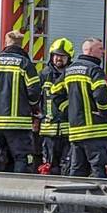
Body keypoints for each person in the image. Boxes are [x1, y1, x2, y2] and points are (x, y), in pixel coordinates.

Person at [0, 30, 42, 173]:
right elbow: (35, 91)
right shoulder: (25, 64)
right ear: (21, 45)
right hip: (18, 123)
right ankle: (18, 190)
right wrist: (31, 107)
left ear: (6, 43)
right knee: (21, 158)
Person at [54, 37, 107, 177]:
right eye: (100, 48)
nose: (103, 51)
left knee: (77, 169)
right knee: (98, 169)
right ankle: (98, 199)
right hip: (95, 131)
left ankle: (74, 198)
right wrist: (104, 112)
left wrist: (69, 110)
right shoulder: (94, 70)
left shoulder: (69, 70)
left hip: (76, 130)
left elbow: (54, 92)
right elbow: (101, 95)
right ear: (90, 50)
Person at [37, 38, 73, 175]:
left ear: (69, 58)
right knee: (48, 167)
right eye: (56, 55)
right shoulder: (44, 75)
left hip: (68, 130)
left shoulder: (72, 74)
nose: (58, 58)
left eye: (62, 56)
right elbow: (35, 99)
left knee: (67, 167)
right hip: (48, 131)